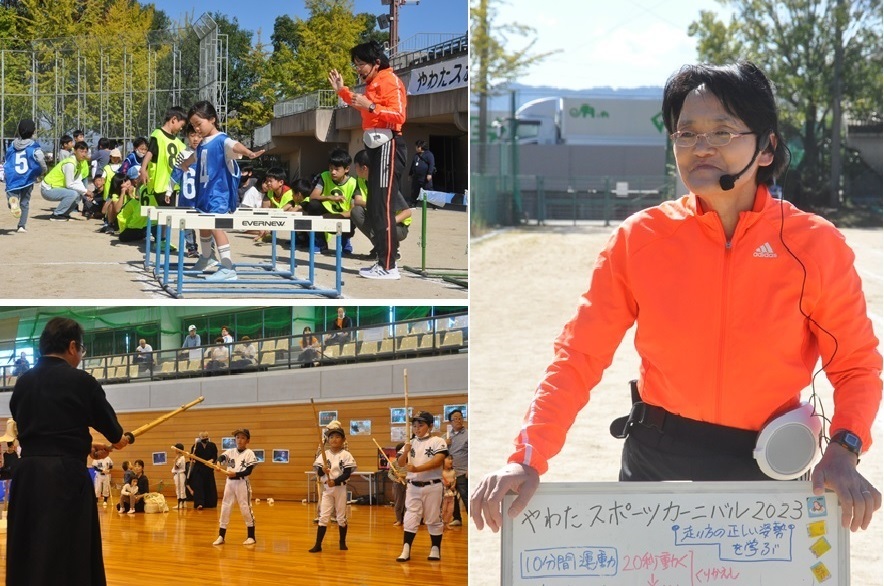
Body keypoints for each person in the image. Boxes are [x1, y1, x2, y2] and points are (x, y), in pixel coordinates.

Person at [470, 62, 883, 535]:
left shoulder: (813, 244)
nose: (700, 147)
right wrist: (527, 458)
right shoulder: (641, 238)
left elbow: (855, 365)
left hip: (770, 467)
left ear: (767, 147)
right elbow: (578, 356)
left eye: (723, 132)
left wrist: (844, 448)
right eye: (685, 134)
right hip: (656, 460)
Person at [7, 316, 130, 585]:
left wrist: (83, 446)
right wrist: (116, 440)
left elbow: (37, 431)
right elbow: (115, 432)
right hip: (64, 477)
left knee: (30, 547)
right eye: (82, 350)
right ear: (73, 347)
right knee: (66, 550)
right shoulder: (81, 381)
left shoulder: (24, 382)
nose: (80, 356)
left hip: (27, 476)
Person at [329, 40, 407, 280]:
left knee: (383, 205)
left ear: (376, 63)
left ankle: (388, 265)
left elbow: (399, 114)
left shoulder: (390, 80)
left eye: (360, 64)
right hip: (374, 145)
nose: (358, 69)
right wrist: (342, 91)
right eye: (355, 65)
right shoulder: (372, 84)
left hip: (388, 144)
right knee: (374, 206)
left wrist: (372, 106)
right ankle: (383, 260)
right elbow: (360, 105)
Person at [183, 100, 264, 282]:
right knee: (203, 225)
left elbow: (234, 145)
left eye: (199, 124)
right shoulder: (203, 144)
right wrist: (184, 164)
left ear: (212, 119)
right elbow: (195, 157)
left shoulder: (221, 139)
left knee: (216, 226)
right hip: (204, 193)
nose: (196, 129)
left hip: (218, 193)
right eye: (193, 126)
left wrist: (249, 153)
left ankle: (228, 267)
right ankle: (207, 257)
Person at [396, 411, 447, 562]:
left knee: (432, 517)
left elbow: (437, 461)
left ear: (430, 426)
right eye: (414, 425)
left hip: (433, 485)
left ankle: (435, 548)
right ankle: (406, 549)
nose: (417, 428)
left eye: (421, 425)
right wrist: (405, 452)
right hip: (413, 486)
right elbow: (400, 463)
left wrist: (417, 469)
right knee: (411, 516)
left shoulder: (438, 441)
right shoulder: (410, 443)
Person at [351, 149, 411, 261]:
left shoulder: (385, 184)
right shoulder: (361, 180)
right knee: (356, 211)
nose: (355, 169)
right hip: (378, 219)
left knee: (380, 221)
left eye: (356, 166)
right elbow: (357, 201)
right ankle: (380, 248)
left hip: (397, 227)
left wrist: (390, 222)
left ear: (364, 168)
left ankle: (392, 249)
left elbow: (407, 212)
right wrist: (375, 204)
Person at [304, 148, 360, 254]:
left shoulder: (353, 183)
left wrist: (334, 216)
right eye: (330, 168)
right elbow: (313, 196)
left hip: (343, 217)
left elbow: (352, 210)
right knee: (313, 205)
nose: (332, 172)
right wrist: (330, 197)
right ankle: (321, 242)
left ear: (346, 169)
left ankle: (345, 240)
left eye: (336, 169)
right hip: (326, 213)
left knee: (355, 215)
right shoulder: (324, 176)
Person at [308, 426, 356, 552]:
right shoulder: (325, 454)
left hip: (340, 489)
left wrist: (335, 481)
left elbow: (347, 473)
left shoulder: (346, 455)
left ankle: (342, 542)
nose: (334, 439)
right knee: (323, 516)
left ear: (343, 439)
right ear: (328, 440)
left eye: (337, 437)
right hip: (327, 490)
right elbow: (318, 472)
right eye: (331, 437)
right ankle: (318, 544)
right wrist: (322, 470)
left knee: (340, 517)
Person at [212, 428, 258, 546]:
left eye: (243, 438)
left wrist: (236, 474)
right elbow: (221, 458)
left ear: (247, 440)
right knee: (225, 507)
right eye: (237, 438)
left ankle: (251, 536)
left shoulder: (249, 453)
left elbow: (248, 471)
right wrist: (218, 464)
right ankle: (221, 535)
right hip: (230, 483)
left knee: (245, 507)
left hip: (242, 483)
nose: (240, 440)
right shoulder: (230, 451)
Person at [4, 118, 47, 233]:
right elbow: (41, 160)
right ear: (33, 132)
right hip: (27, 177)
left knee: (12, 194)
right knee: (25, 203)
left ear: (19, 131)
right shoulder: (34, 146)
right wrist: (43, 170)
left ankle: (12, 202)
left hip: (13, 177)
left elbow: (8, 158)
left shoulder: (13, 144)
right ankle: (21, 226)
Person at [40, 140, 93, 221]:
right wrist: (86, 191)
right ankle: (56, 215)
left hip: (55, 188)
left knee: (78, 194)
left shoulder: (79, 162)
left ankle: (64, 214)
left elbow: (78, 180)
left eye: (85, 152)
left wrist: (84, 193)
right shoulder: (70, 163)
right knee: (73, 194)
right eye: (81, 151)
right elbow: (69, 185)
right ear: (75, 151)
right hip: (47, 189)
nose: (83, 154)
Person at [445, 408, 468, 527]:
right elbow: (441, 452)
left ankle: (473, 520)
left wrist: (470, 468)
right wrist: (445, 444)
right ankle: (457, 518)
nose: (458, 420)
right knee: (452, 496)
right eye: (455, 419)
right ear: (450, 422)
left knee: (465, 496)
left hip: (463, 471)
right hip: (450, 473)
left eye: (460, 418)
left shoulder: (468, 434)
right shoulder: (447, 436)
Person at [190, 431, 219, 509]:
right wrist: (192, 457)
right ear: (200, 438)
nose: (205, 438)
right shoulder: (196, 446)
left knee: (209, 485)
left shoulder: (212, 445)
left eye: (206, 436)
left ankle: (210, 503)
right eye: (203, 437)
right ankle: (199, 503)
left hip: (208, 468)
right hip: (198, 469)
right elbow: (192, 458)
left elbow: (215, 455)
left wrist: (212, 460)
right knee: (199, 486)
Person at [408, 139, 435, 207]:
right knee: (415, 190)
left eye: (417, 146)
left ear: (420, 147)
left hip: (425, 176)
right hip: (416, 176)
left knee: (429, 190)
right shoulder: (416, 155)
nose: (416, 148)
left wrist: (429, 173)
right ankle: (413, 204)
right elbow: (413, 165)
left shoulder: (429, 154)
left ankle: (434, 205)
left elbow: (431, 164)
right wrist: (410, 174)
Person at [391, 442, 407, 526]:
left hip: (408, 485)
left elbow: (412, 473)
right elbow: (389, 474)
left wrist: (403, 476)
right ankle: (398, 520)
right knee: (398, 503)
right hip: (397, 485)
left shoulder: (409, 462)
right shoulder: (393, 463)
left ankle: (406, 520)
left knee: (406, 503)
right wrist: (395, 479)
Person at [441, 455, 457, 526]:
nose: (451, 461)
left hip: (451, 494)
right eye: (449, 459)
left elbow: (455, 479)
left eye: (452, 459)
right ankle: (441, 523)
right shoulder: (441, 472)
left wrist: (453, 485)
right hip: (443, 494)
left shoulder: (453, 471)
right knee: (443, 510)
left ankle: (446, 523)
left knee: (450, 510)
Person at [171, 442, 187, 510]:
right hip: (178, 475)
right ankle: (182, 503)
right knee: (180, 489)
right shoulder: (180, 457)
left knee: (180, 489)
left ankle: (180, 503)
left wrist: (175, 461)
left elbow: (176, 468)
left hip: (179, 475)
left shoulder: (181, 458)